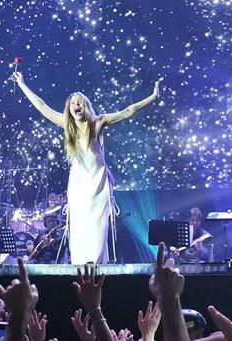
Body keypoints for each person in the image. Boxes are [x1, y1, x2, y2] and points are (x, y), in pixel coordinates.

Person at [11, 71, 160, 264]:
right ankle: (80, 266)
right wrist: (22, 84)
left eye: (80, 102)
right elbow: (41, 106)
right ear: (69, 108)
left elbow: (128, 111)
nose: (76, 105)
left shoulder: (98, 123)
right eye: (73, 103)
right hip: (78, 185)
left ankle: (97, 266)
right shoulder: (67, 125)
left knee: (97, 229)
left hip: (98, 185)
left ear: (86, 105)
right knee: (79, 229)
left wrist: (153, 97)